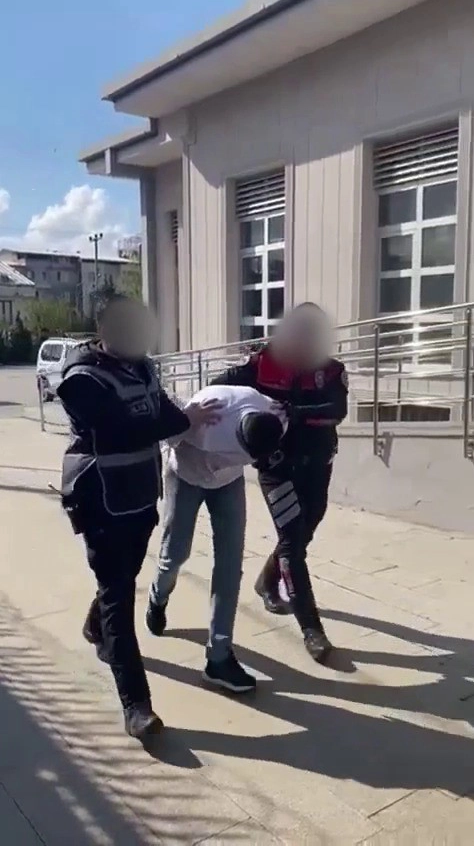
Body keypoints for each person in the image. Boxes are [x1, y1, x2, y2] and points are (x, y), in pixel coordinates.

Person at [57, 295, 221, 740]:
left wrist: (193, 417)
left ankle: (96, 627)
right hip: (100, 500)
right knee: (119, 596)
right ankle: (137, 706)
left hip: (140, 497)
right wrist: (180, 421)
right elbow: (119, 432)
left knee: (121, 580)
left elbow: (165, 413)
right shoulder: (80, 378)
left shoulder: (143, 368)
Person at [211, 303, 348, 664]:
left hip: (317, 464)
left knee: (303, 533)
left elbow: (337, 410)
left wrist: (294, 413)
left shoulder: (332, 371)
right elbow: (218, 389)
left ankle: (267, 582)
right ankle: (312, 629)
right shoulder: (262, 363)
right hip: (276, 468)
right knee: (292, 543)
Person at [145, 383, 285, 693]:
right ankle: (158, 596)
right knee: (175, 553)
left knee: (230, 566)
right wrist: (187, 420)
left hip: (228, 483)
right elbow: (168, 436)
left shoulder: (272, 416)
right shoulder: (210, 418)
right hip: (186, 474)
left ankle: (219, 657)